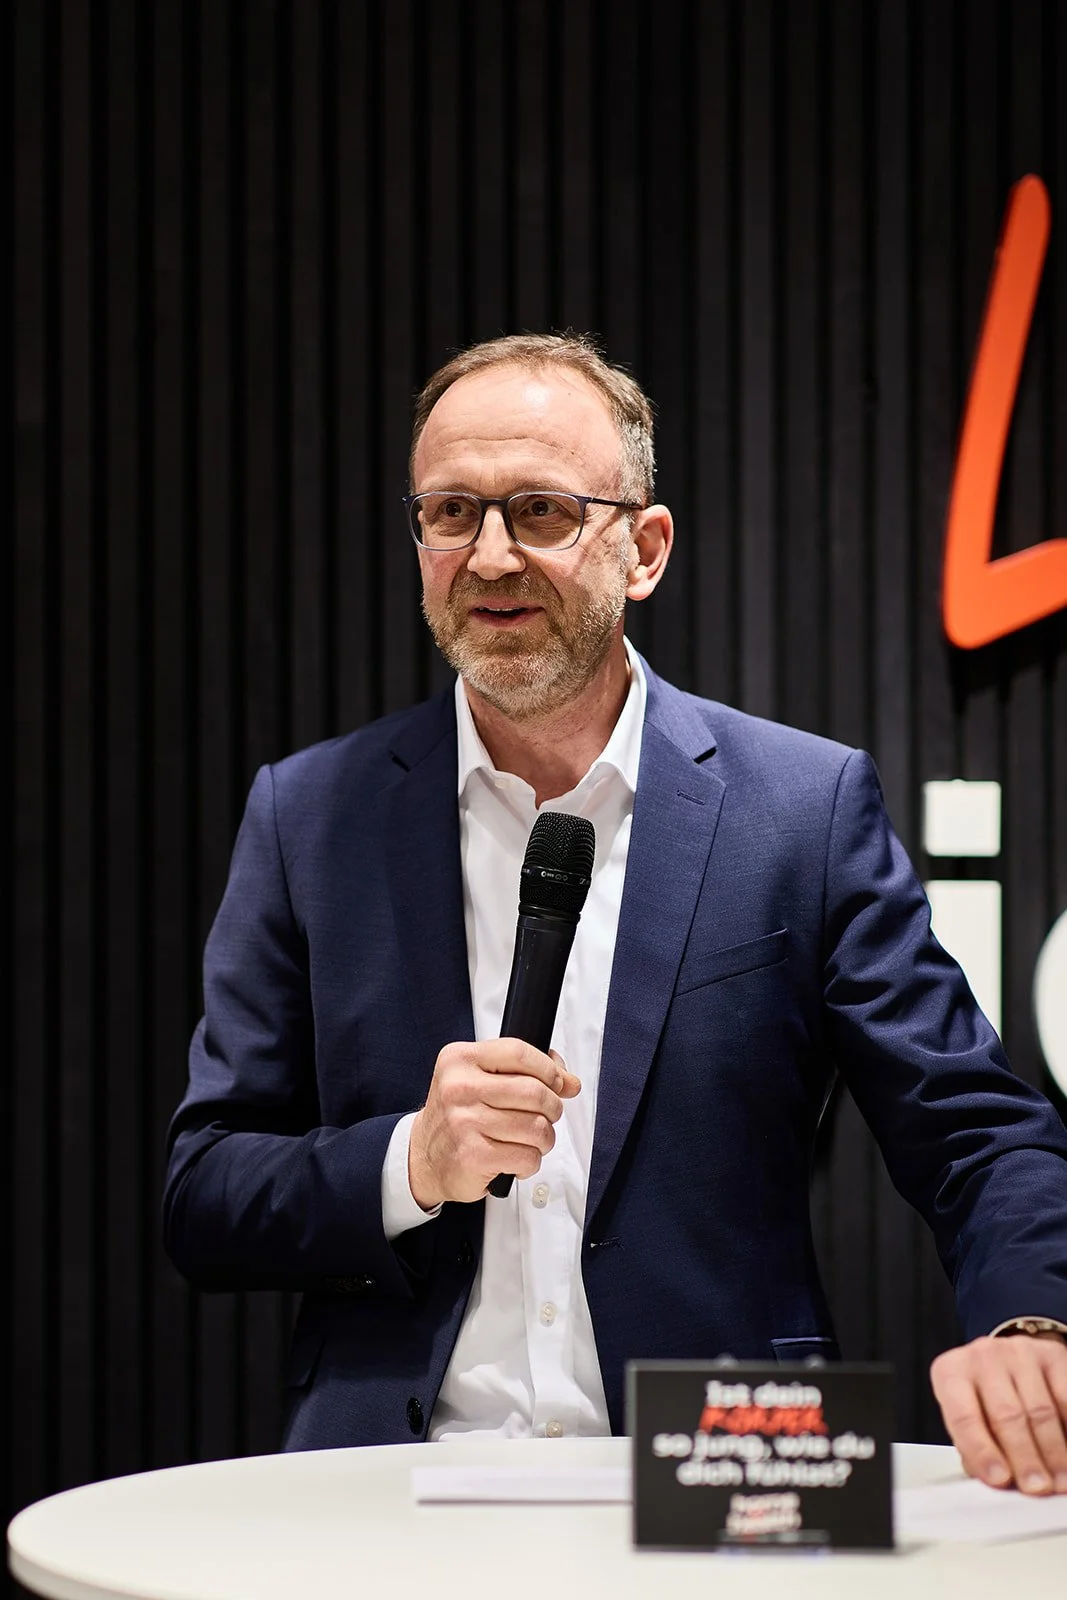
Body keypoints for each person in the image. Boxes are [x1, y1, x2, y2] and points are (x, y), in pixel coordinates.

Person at [164, 333, 1067, 1493]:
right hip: (395, 1480)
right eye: (450, 511)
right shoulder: (308, 816)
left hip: (721, 1469)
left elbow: (975, 1131)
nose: (488, 554)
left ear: (641, 549)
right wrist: (411, 1159)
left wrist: (1028, 1328)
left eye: (538, 510)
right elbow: (207, 1192)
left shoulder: (799, 807)